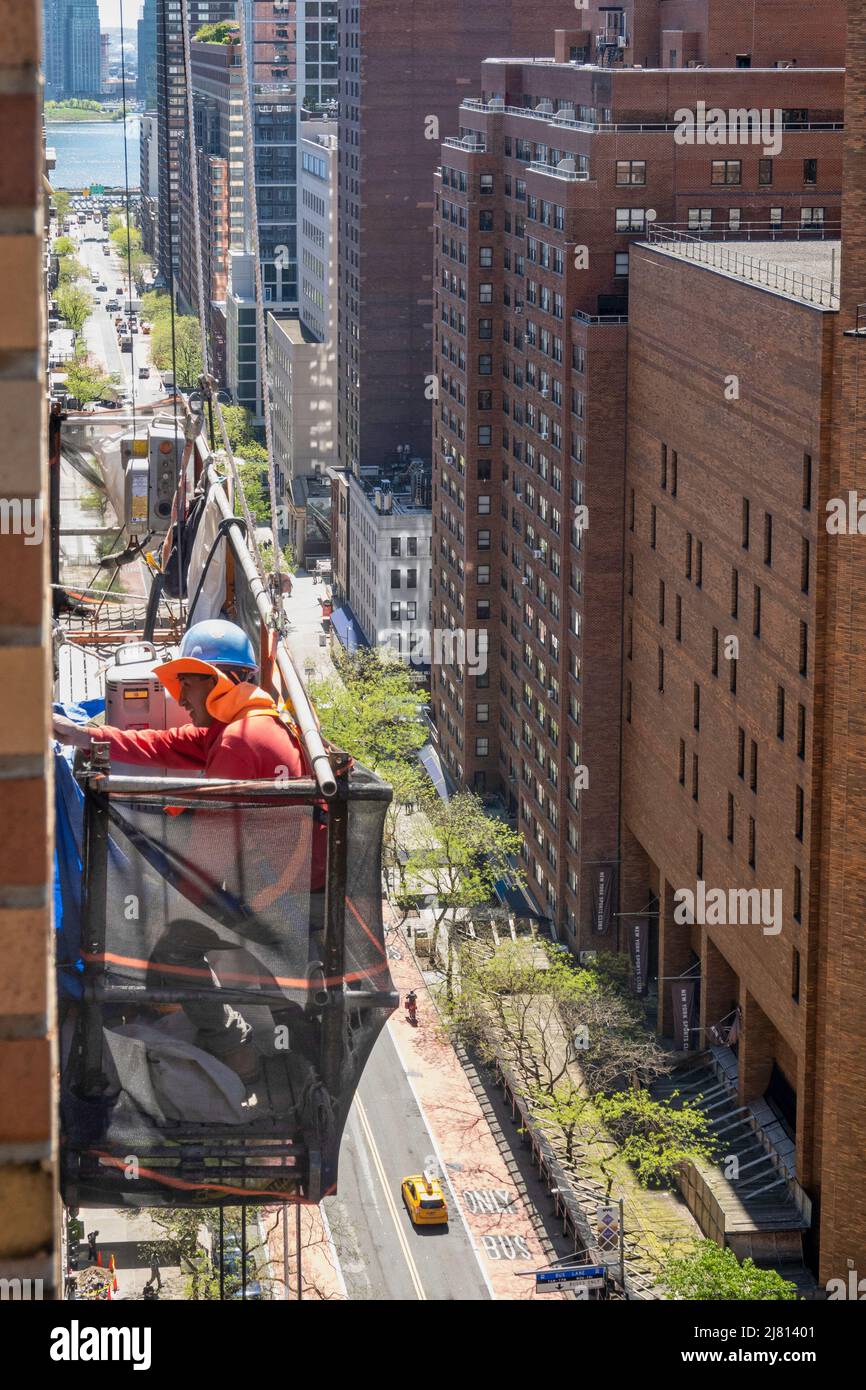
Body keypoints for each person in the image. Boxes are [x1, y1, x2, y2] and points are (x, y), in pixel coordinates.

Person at [52, 620, 322, 1092]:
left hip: (276, 896)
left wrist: (157, 901)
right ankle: (294, 1054)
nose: (180, 699)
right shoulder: (250, 723)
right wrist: (80, 736)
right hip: (288, 885)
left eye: (188, 684)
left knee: (171, 953)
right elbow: (164, 744)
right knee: (273, 982)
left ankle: (236, 1052)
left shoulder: (240, 740)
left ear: (219, 682)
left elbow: (205, 858)